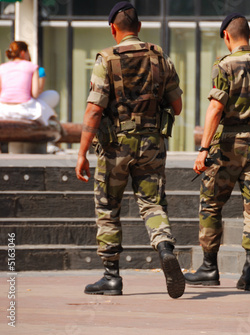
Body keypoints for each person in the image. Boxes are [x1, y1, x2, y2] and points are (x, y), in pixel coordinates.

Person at [75, 1, 185, 298]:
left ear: (114, 29)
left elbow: (94, 110)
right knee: (152, 204)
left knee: (109, 207)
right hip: (151, 145)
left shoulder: (106, 58)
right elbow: (177, 105)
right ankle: (164, 247)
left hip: (114, 147)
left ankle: (111, 277)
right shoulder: (160, 57)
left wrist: (81, 152)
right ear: (139, 27)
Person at [184, 13, 250, 291]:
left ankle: (208, 268)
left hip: (226, 147)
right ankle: (249, 272)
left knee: (211, 204)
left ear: (226, 36)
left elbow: (216, 108)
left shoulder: (223, 66)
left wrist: (203, 149)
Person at [0, 41, 60, 130]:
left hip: (3, 108)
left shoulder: (2, 67)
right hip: (25, 108)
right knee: (53, 94)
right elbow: (35, 94)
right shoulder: (32, 67)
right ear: (23, 53)